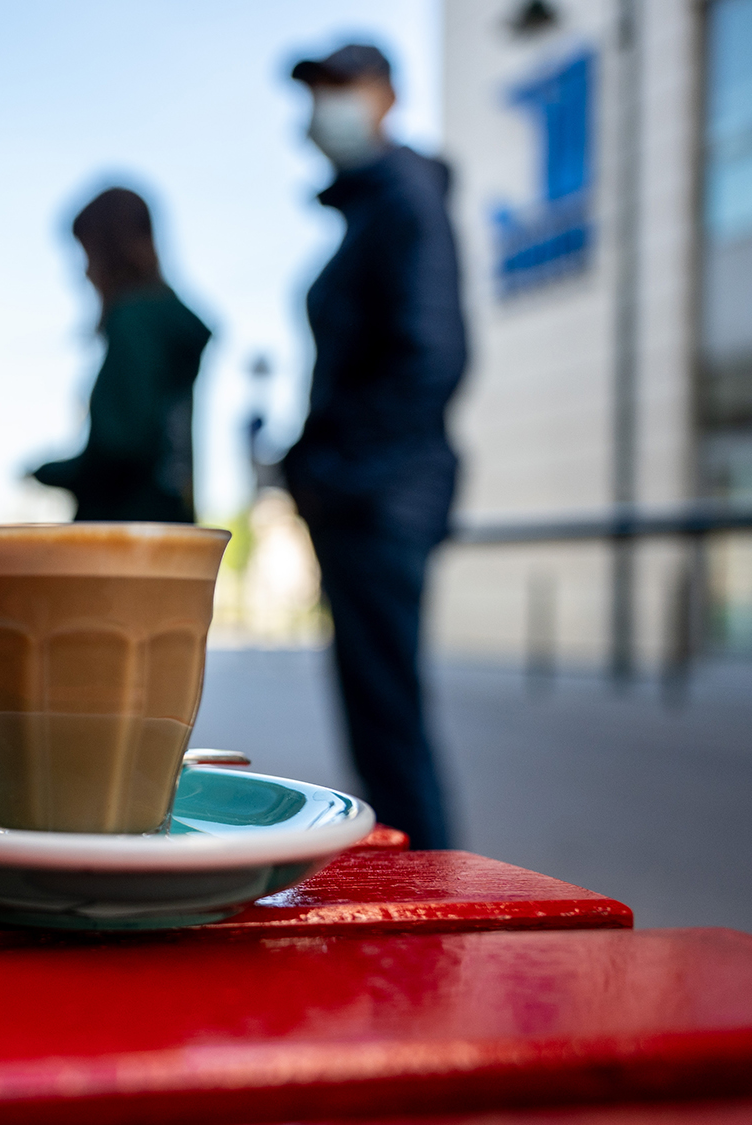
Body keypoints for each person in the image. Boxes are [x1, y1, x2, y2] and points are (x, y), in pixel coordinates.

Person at [284, 44, 467, 849]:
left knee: (390, 722)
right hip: (370, 493)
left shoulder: (403, 197)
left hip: (381, 496)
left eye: (339, 88)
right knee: (379, 717)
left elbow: (432, 355)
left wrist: (335, 474)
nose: (325, 107)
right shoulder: (376, 205)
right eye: (317, 92)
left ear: (387, 96)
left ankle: (433, 903)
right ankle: (426, 885)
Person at [32, 188, 211, 523]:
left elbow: (121, 443)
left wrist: (49, 472)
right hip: (172, 513)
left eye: (87, 255)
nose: (84, 272)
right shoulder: (169, 324)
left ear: (110, 251)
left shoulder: (134, 323)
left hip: (124, 531)